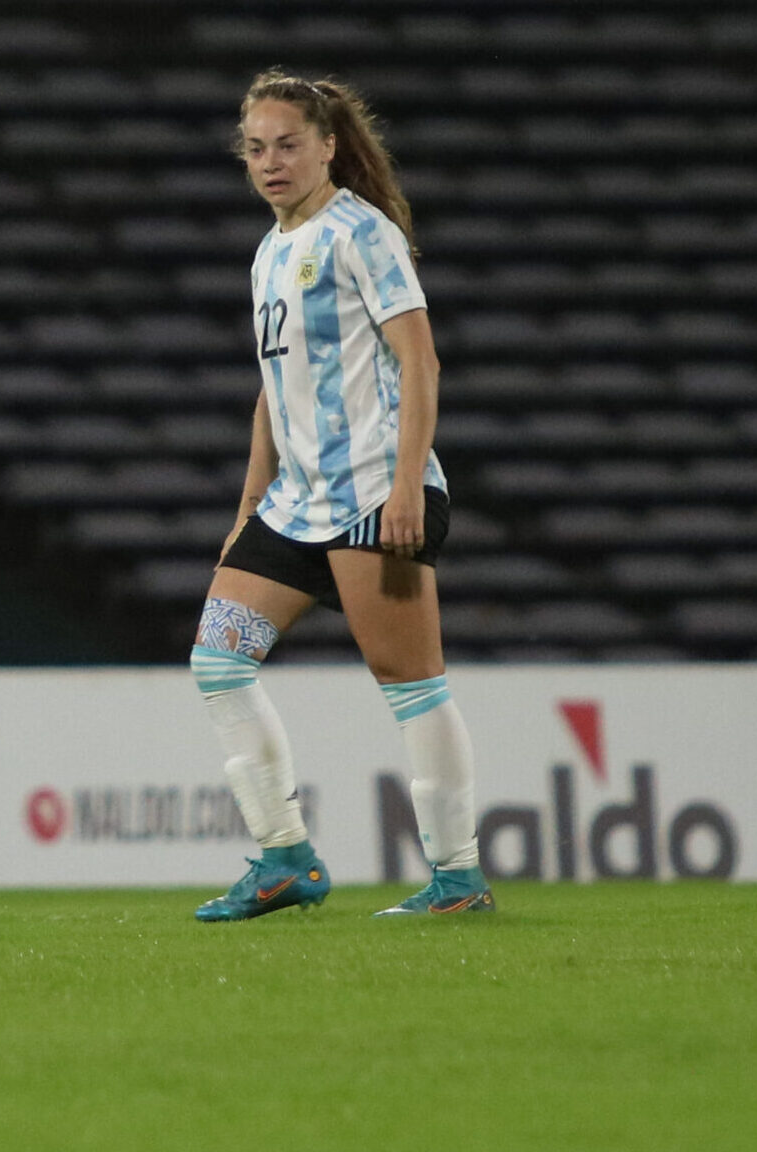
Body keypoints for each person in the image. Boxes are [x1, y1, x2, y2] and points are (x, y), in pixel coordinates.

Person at [190, 68, 492, 921]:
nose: (271, 162)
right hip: (296, 503)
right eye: (256, 148)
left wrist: (406, 485)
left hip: (371, 493)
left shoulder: (361, 235)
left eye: (289, 145)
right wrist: (249, 511)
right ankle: (285, 858)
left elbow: (420, 362)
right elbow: (272, 397)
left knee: (410, 682)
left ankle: (459, 879)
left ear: (328, 147)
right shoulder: (270, 250)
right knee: (217, 660)